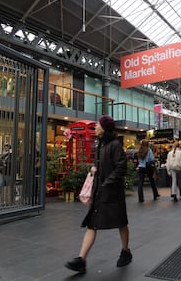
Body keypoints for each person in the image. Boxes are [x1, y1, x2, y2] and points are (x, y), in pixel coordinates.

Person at [65, 115, 132, 274]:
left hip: (113, 193)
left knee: (121, 222)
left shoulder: (115, 145)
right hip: (100, 192)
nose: (95, 126)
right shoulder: (99, 144)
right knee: (92, 224)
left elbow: (121, 167)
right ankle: (81, 259)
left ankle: (126, 251)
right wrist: (94, 168)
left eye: (98, 124)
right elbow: (99, 164)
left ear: (104, 127)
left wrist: (107, 182)